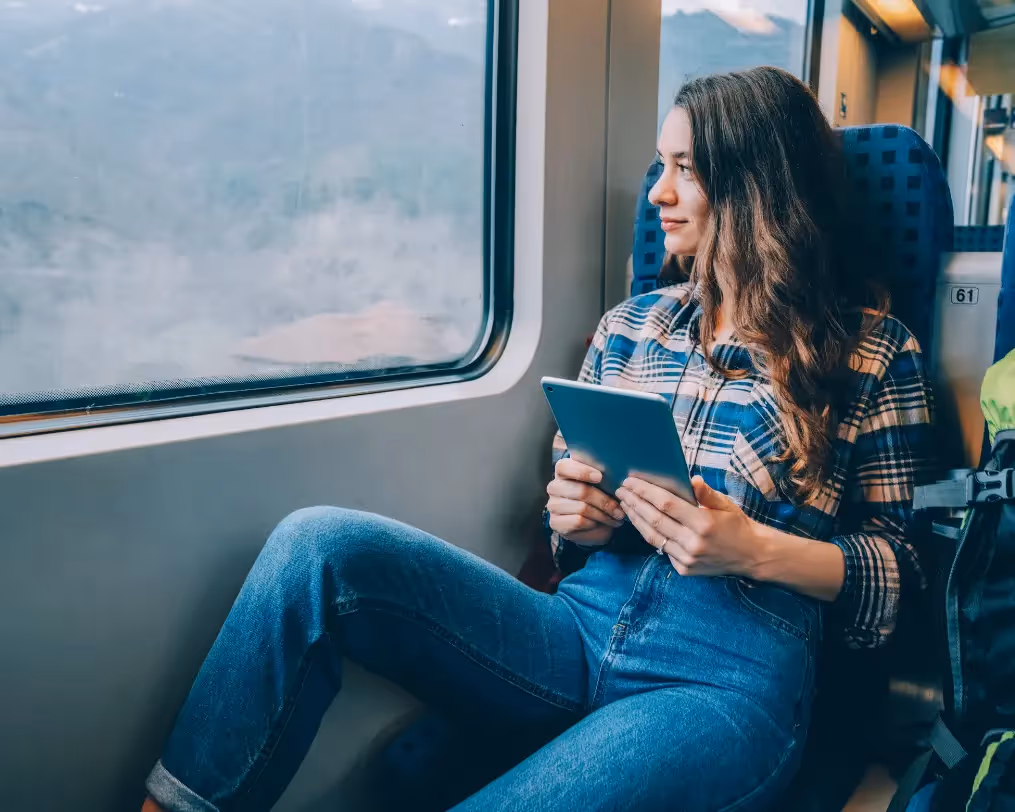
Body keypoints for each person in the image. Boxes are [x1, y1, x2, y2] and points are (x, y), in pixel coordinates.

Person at [142, 66, 933, 812]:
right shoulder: (630, 328)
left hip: (723, 678)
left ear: (757, 184)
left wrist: (752, 549)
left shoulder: (871, 350)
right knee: (316, 545)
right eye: (659, 165)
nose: (656, 193)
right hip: (573, 627)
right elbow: (573, 521)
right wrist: (572, 519)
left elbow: (901, 573)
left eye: (684, 169)